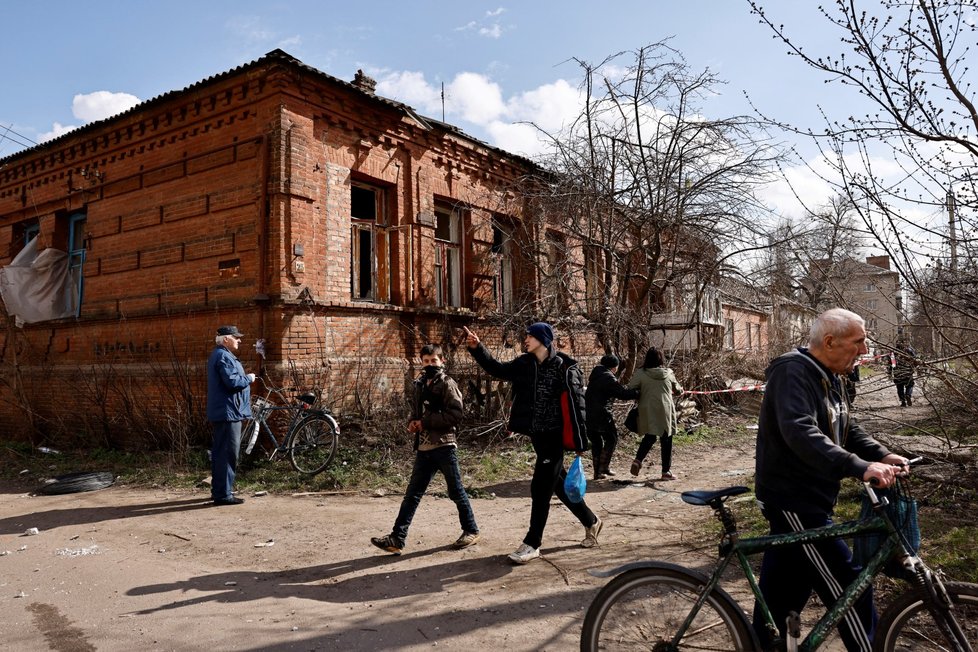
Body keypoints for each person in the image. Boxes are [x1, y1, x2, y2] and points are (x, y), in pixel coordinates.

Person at [751, 308, 910, 650]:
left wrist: (880, 455)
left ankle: (760, 643)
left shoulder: (829, 376)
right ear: (829, 341)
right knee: (851, 590)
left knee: (783, 594)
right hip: (794, 500)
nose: (865, 351)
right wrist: (858, 467)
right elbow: (800, 431)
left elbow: (845, 426)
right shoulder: (792, 372)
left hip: (809, 499)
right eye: (859, 342)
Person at [463, 322, 602, 565]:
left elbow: (577, 407)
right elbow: (497, 369)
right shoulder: (524, 364)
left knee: (540, 488)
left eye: (530, 336)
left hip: (555, 437)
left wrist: (581, 441)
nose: (525, 339)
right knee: (557, 484)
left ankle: (533, 543)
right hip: (537, 436)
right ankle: (591, 521)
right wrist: (478, 348)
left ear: (543, 339)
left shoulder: (565, 367)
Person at [370, 344, 480, 555]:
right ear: (421, 361)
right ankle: (397, 539)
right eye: (427, 361)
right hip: (424, 447)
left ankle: (471, 530)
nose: (430, 364)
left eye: (434, 361)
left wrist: (425, 422)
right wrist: (412, 421)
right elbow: (416, 411)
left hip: (444, 445)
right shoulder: (420, 384)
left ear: (442, 361)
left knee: (455, 491)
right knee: (412, 495)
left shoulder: (448, 383)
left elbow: (456, 414)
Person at [206, 325, 256, 506]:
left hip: (227, 412)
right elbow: (233, 382)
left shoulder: (221, 355)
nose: (239, 340)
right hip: (228, 413)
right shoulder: (223, 356)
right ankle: (223, 495)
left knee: (222, 453)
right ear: (226, 339)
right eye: (236, 337)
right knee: (227, 454)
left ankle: (220, 491)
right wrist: (249, 378)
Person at [627, 346, 683, 481]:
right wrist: (679, 390)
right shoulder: (668, 372)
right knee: (666, 438)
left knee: (650, 436)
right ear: (661, 358)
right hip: (665, 409)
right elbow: (678, 390)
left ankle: (638, 460)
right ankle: (666, 471)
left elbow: (630, 388)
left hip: (647, 408)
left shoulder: (641, 373)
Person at [585, 354, 639, 480]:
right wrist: (637, 393)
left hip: (588, 413)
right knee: (612, 438)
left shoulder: (596, 375)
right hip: (602, 414)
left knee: (597, 442)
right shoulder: (608, 378)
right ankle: (603, 468)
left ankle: (598, 472)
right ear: (614, 367)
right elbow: (622, 393)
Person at [889, 341, 918, 407]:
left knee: (899, 387)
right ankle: (908, 394)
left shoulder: (893, 353)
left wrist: (890, 372)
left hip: (898, 373)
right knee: (910, 385)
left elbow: (892, 364)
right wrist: (913, 368)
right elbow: (915, 360)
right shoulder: (909, 351)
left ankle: (903, 402)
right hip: (907, 372)